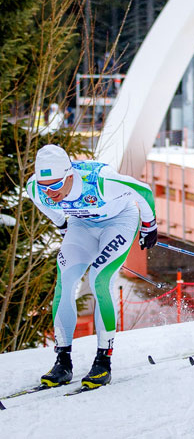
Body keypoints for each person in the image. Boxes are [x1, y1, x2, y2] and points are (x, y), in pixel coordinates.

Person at [26, 144, 157, 390]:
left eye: (55, 185)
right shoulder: (36, 187)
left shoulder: (102, 181)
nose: (50, 192)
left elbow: (144, 191)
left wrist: (149, 225)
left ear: (69, 175)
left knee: (99, 280)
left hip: (118, 221)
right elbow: (40, 199)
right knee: (64, 283)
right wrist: (61, 223)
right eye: (45, 187)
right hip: (81, 224)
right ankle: (62, 361)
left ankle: (103, 360)